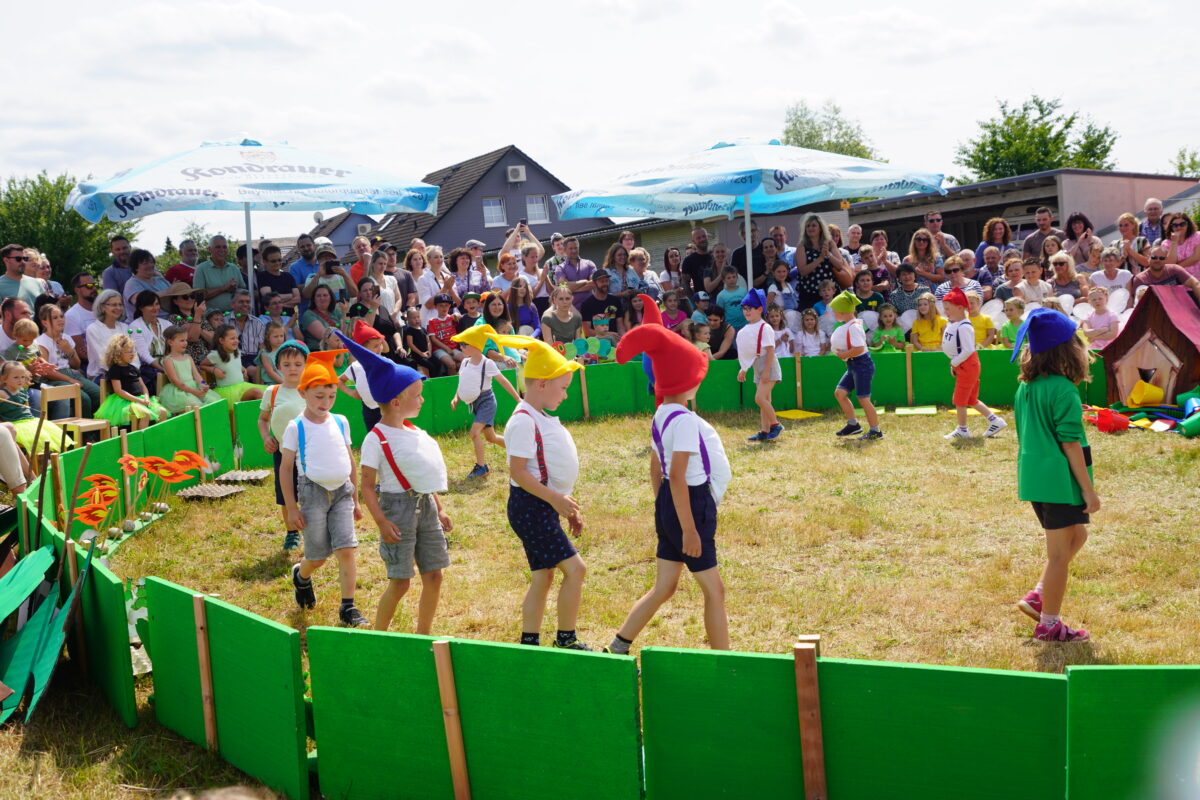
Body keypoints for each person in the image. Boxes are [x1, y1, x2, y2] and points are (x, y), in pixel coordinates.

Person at [606, 323, 732, 654]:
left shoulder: (662, 413)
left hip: (670, 504)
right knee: (714, 591)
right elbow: (677, 476)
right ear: (689, 381)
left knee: (664, 586)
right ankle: (727, 662)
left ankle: (619, 645)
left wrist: (662, 506)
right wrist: (688, 529)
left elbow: (656, 466)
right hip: (691, 506)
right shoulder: (687, 420)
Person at [330, 332, 450, 634]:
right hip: (397, 511)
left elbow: (422, 476)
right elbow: (368, 486)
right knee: (401, 582)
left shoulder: (413, 431)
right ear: (396, 402)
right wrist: (381, 521)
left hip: (426, 507)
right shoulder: (376, 439)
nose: (422, 400)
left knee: (434, 575)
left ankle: (423, 634)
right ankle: (380, 635)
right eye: (417, 395)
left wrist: (440, 507)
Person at [1010, 309, 1098, 642]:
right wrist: (1089, 492)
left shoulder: (1026, 387)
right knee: (1060, 555)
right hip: (1059, 482)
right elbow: (1071, 443)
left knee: (1078, 537)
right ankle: (1049, 624)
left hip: (1035, 479)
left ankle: (1039, 594)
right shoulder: (1063, 390)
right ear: (1068, 349)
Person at [502, 337, 592, 650]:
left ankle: (530, 642)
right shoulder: (523, 421)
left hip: (542, 505)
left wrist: (565, 505)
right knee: (576, 570)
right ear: (541, 384)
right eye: (563, 387)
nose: (566, 394)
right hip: (531, 507)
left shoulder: (538, 416)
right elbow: (518, 472)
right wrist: (555, 500)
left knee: (544, 575)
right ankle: (566, 639)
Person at [281, 350, 368, 627]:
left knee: (347, 549)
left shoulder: (340, 421)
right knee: (318, 556)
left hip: (342, 492)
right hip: (312, 492)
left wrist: (355, 499)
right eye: (319, 396)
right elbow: (285, 469)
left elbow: (349, 460)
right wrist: (292, 508)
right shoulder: (296, 427)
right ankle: (302, 575)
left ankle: (348, 608)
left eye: (331, 396)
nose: (326, 402)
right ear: (303, 393)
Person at [257, 340, 311, 550]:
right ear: (278, 366)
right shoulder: (273, 391)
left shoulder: (311, 389)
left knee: (313, 492)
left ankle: (316, 529)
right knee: (286, 494)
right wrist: (266, 437)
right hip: (283, 453)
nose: (292, 369)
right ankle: (291, 532)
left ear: (306, 365)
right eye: (287, 364)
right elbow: (263, 419)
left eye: (298, 364)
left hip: (310, 453)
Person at [450, 325, 522, 479]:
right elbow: (462, 382)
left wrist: (518, 399)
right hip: (474, 403)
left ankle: (482, 467)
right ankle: (520, 451)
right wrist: (456, 398)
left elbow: (503, 382)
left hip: (486, 402)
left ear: (475, 345)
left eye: (464, 344)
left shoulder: (487, 363)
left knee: (474, 433)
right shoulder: (465, 362)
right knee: (491, 437)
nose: (460, 347)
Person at [940, 288, 1007, 440]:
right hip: (964, 365)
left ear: (960, 308)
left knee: (960, 400)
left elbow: (968, 349)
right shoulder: (956, 323)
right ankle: (995, 421)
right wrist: (955, 364)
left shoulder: (964, 326)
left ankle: (962, 430)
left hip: (967, 365)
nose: (946, 312)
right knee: (971, 399)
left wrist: (954, 363)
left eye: (948, 309)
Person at [828, 291, 882, 440]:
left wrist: (844, 354)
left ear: (842, 311)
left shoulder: (854, 327)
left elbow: (859, 348)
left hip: (861, 364)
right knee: (840, 393)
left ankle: (875, 430)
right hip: (853, 365)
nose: (833, 313)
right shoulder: (849, 325)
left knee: (864, 399)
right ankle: (853, 425)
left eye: (834, 310)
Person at [736, 290, 782, 442]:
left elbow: (770, 351)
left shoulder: (765, 327)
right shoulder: (748, 329)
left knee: (760, 398)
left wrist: (767, 372)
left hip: (768, 366)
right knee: (765, 400)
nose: (747, 312)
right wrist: (744, 368)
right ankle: (765, 431)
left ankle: (776, 425)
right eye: (745, 309)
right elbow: (751, 353)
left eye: (750, 308)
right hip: (758, 366)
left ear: (760, 309)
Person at [94, 334, 167, 429]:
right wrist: (138, 400)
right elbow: (118, 390)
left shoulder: (133, 368)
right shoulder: (115, 369)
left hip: (139, 399)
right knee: (145, 414)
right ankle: (140, 441)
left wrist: (146, 397)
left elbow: (142, 386)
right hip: (125, 401)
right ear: (118, 353)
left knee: (162, 411)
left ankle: (158, 438)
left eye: (132, 351)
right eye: (128, 351)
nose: (132, 354)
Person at [0, 360, 72, 453]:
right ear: (4, 379)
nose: (20, 380)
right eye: (16, 377)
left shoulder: (21, 390)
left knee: (49, 435)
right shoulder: (2, 393)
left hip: (30, 420)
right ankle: (33, 461)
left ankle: (49, 461)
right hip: (15, 424)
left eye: (22, 377)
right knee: (34, 440)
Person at [159, 324, 223, 415]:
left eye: (186, 340)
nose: (185, 343)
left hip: (194, 387)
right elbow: (175, 380)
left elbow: (197, 376)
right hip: (180, 391)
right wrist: (194, 392)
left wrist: (204, 385)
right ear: (170, 342)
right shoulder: (168, 360)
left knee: (214, 401)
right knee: (196, 405)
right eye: (182, 340)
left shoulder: (188, 357)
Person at [795, 214, 848, 308]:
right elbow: (802, 271)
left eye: (813, 225)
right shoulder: (802, 246)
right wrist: (820, 258)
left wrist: (828, 254)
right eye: (808, 226)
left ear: (820, 228)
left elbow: (840, 265)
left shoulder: (829, 243)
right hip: (810, 294)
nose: (810, 228)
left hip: (830, 293)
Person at [204, 323, 263, 407]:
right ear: (221, 341)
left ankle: (255, 418)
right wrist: (214, 370)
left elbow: (233, 364)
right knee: (256, 393)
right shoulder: (216, 355)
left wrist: (242, 368)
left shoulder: (237, 352)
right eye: (232, 338)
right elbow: (202, 365)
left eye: (236, 338)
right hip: (228, 391)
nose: (236, 341)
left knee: (264, 393)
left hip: (241, 386)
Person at [85, 289, 135, 379]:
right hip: (102, 376)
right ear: (102, 307)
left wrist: (133, 370)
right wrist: (124, 372)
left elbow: (133, 353)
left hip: (128, 372)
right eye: (114, 305)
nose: (118, 308)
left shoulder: (125, 327)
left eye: (120, 304)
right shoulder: (93, 329)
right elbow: (103, 360)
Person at [191, 236, 246, 314]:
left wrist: (235, 289)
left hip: (234, 316)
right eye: (218, 247)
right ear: (209, 249)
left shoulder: (234, 268)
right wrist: (223, 288)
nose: (222, 250)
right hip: (211, 318)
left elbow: (243, 291)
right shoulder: (201, 269)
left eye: (224, 247)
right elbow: (198, 296)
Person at [129, 290, 168, 392]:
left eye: (157, 304)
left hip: (170, 363)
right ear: (141, 307)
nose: (155, 308)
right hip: (151, 368)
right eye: (150, 305)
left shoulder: (167, 324)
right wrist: (164, 369)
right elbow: (144, 355)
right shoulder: (135, 326)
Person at [1131, 246, 1200, 303]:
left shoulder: (1175, 270)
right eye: (1154, 257)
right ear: (1148, 258)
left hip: (1178, 308)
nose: (1158, 260)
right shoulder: (1140, 279)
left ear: (1165, 259)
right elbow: (1136, 302)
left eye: (1162, 258)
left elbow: (1195, 284)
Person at [121, 249, 169, 320]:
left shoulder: (161, 280)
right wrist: (167, 292)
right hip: (144, 325)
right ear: (136, 267)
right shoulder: (131, 284)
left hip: (170, 321)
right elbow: (141, 302)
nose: (150, 265)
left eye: (152, 262)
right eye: (145, 263)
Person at [552, 237, 595, 310]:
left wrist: (572, 288)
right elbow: (564, 287)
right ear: (565, 250)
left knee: (602, 321)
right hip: (571, 312)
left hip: (592, 308)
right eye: (571, 248)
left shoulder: (589, 264)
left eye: (576, 248)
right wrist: (584, 281)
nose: (574, 250)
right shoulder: (560, 268)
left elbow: (594, 283)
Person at [255, 244, 299, 314]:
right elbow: (269, 299)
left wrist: (278, 304)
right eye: (273, 261)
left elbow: (298, 299)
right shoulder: (262, 276)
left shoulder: (288, 276)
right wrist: (290, 296)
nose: (277, 263)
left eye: (279, 260)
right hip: (271, 320)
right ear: (265, 261)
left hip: (290, 320)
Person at [580, 269, 624, 338]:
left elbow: (620, 326)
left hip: (614, 342)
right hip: (596, 344)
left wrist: (623, 338)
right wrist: (607, 335)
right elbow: (587, 331)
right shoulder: (586, 304)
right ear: (594, 284)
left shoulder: (615, 301)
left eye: (606, 281)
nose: (605, 284)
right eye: (601, 281)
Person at [427, 293, 462, 375]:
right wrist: (446, 348)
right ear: (435, 307)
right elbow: (433, 339)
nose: (444, 308)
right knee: (451, 364)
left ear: (450, 306)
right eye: (441, 305)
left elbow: (461, 318)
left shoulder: (452, 318)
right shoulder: (432, 321)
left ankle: (460, 380)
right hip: (439, 349)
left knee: (466, 360)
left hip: (453, 348)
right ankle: (452, 386)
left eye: (446, 305)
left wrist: (458, 315)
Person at [730, 220, 765, 286]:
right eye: (747, 232)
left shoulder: (766, 249)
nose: (751, 234)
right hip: (744, 292)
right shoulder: (737, 254)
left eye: (753, 230)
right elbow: (732, 275)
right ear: (742, 235)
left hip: (765, 292)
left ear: (758, 231)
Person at [681, 226, 714, 291]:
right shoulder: (688, 261)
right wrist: (693, 299)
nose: (702, 239)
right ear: (693, 241)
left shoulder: (716, 255)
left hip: (720, 297)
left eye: (704, 236)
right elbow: (685, 285)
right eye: (698, 238)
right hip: (701, 299)